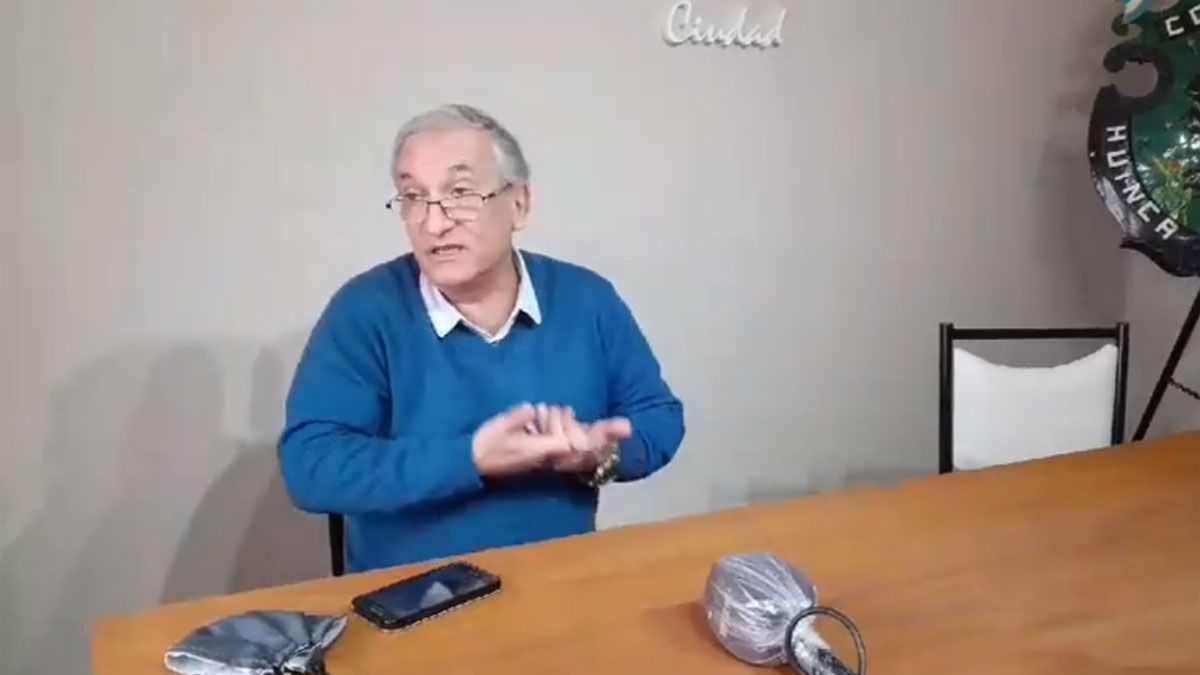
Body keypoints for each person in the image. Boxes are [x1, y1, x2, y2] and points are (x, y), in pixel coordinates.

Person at [278, 103, 685, 572]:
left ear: (519, 204)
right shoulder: (364, 310)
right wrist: (471, 458)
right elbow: (311, 467)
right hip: (413, 594)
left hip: (560, 579)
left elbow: (659, 417)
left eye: (460, 193)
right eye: (413, 197)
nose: (433, 223)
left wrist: (601, 455)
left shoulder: (586, 299)